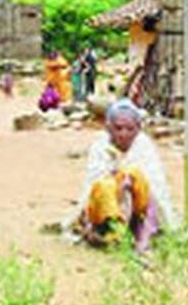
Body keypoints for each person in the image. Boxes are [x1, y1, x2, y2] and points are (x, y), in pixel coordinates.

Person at [72, 99, 177, 252]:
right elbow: (92, 186)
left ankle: (142, 234)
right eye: (118, 128)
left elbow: (156, 189)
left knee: (136, 176)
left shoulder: (144, 147)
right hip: (105, 212)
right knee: (105, 186)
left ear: (138, 129)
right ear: (108, 128)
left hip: (138, 214)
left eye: (130, 129)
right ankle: (113, 234)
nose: (123, 134)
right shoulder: (100, 147)